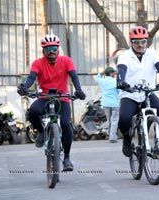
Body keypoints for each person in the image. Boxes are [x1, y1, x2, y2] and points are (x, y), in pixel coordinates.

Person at [17, 34, 86, 171]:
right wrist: (24, 86)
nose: (51, 51)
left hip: (63, 99)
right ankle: (42, 132)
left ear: (58, 49)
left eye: (54, 48)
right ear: (43, 50)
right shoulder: (38, 63)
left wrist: (78, 90)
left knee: (66, 124)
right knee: (33, 112)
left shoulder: (66, 61)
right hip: (44, 98)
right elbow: (32, 77)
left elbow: (74, 76)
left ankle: (66, 158)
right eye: (48, 49)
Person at [116, 26, 159, 157]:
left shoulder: (152, 54)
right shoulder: (125, 56)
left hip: (147, 93)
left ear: (147, 41)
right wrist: (121, 82)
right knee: (124, 118)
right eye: (136, 42)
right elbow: (121, 70)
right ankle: (127, 139)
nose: (140, 45)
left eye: (143, 41)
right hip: (130, 94)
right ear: (131, 42)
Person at [94, 66, 120, 143]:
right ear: (111, 73)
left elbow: (97, 77)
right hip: (115, 104)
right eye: (113, 72)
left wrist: (101, 73)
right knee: (114, 120)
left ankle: (110, 134)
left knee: (109, 120)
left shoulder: (102, 81)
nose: (115, 74)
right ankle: (112, 137)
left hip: (105, 104)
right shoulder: (116, 82)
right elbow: (119, 92)